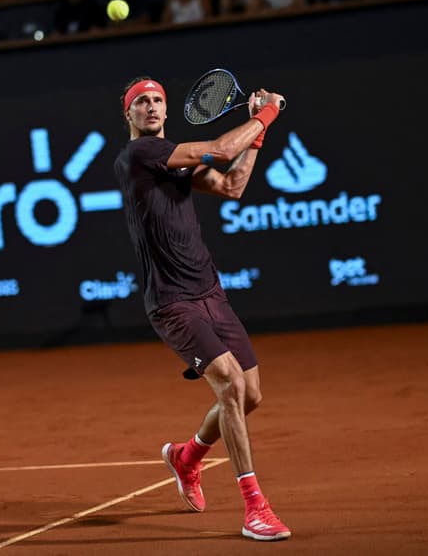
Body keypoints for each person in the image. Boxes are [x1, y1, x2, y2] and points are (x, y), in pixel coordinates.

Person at [113, 76, 290, 541]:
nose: (151, 107)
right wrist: (265, 114)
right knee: (230, 384)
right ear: (128, 114)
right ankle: (255, 507)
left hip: (209, 291)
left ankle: (186, 457)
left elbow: (232, 185)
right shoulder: (138, 155)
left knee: (250, 395)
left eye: (157, 101)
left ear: (167, 111)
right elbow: (219, 147)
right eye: (141, 103)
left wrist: (259, 135)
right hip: (172, 302)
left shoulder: (171, 161)